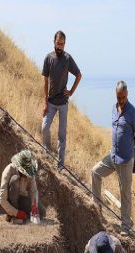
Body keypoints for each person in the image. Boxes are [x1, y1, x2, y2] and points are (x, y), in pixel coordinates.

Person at [91, 80, 135, 235]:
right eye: (118, 97)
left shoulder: (133, 113)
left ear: (127, 95)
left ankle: (125, 226)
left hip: (126, 160)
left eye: (123, 97)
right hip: (113, 155)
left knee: (125, 193)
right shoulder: (114, 108)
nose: (120, 100)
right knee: (95, 172)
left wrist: (129, 146)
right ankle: (96, 208)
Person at [41, 31, 82, 169]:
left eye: (62, 44)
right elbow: (45, 81)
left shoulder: (67, 58)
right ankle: (46, 153)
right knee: (45, 127)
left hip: (63, 103)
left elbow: (79, 75)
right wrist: (44, 102)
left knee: (62, 135)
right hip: (51, 102)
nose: (59, 46)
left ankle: (60, 164)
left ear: (65, 44)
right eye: (58, 43)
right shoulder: (48, 58)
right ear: (54, 42)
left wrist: (71, 91)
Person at [0, 150, 45, 223]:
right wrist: (16, 212)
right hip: (10, 201)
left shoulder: (30, 171)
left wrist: (34, 206)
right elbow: (2, 200)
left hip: (22, 199)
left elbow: (34, 191)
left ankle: (24, 217)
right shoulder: (8, 170)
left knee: (42, 212)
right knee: (14, 180)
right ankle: (12, 215)